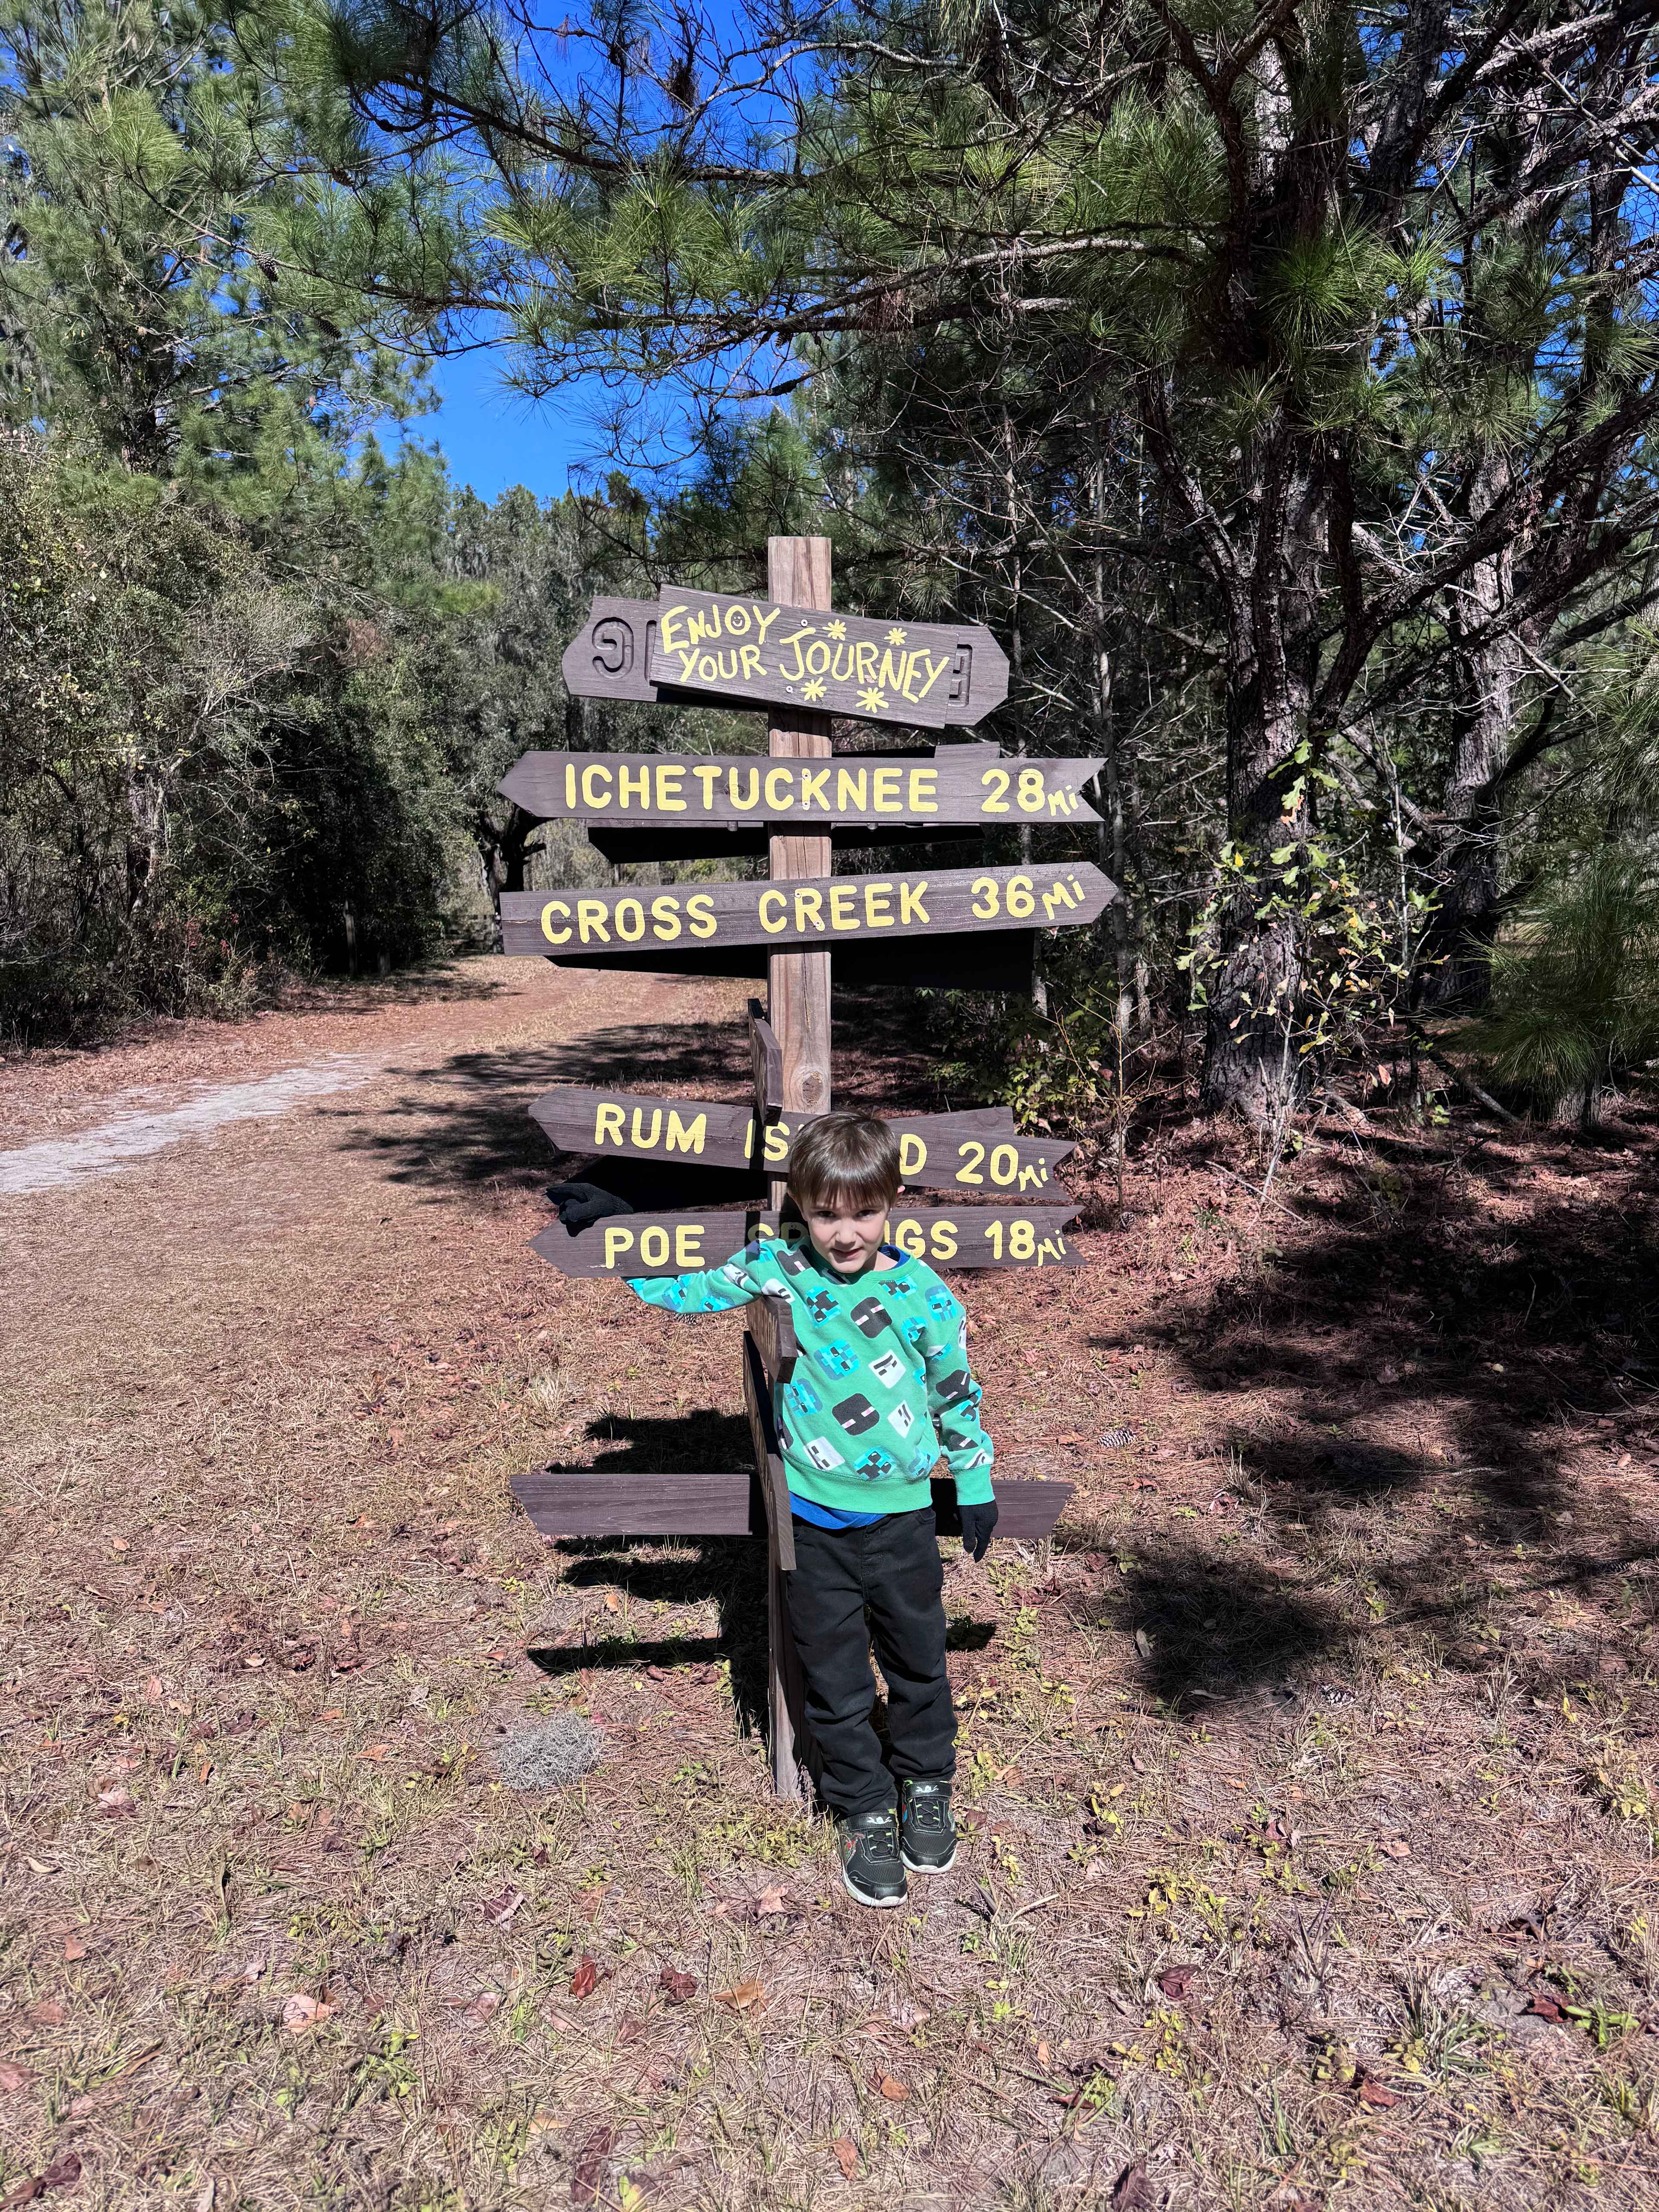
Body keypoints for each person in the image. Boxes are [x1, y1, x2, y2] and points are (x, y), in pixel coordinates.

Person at [626, 1110, 998, 1907]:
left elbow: (954, 1389)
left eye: (863, 1212)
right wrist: (615, 1246)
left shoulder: (919, 1292)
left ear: (891, 1202)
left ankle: (927, 1786)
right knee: (836, 1683)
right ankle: (865, 1810)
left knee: (919, 1663)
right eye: (827, 1215)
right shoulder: (780, 1269)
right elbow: (692, 1289)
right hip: (814, 1526)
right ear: (801, 1207)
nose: (845, 1234)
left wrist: (972, 1479)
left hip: (900, 1522)